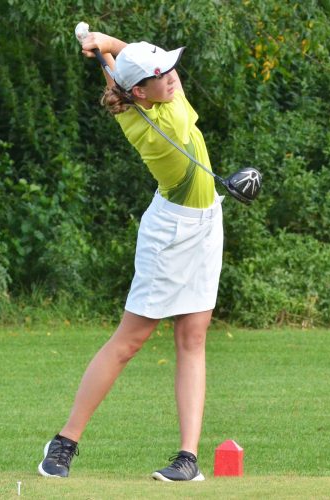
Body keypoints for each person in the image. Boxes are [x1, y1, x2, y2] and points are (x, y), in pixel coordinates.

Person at [38, 31, 224, 482]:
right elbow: (134, 71)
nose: (173, 77)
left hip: (205, 221)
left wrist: (104, 45)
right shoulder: (166, 124)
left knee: (193, 338)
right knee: (129, 342)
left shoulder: (137, 98)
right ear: (141, 92)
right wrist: (109, 45)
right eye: (161, 75)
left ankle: (187, 459)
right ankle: (64, 442)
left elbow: (127, 73)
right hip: (170, 233)